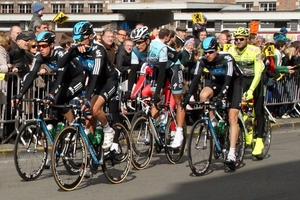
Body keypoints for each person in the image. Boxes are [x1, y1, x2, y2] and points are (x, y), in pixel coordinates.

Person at [182, 36, 242, 168]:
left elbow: (229, 79)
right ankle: (213, 123)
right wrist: (188, 96)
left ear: (216, 50)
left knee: (232, 117)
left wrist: (221, 97)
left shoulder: (227, 58)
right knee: (203, 95)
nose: (207, 55)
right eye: (205, 52)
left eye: (210, 52)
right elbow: (196, 78)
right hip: (218, 81)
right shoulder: (203, 60)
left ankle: (232, 153)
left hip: (233, 83)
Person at [60, 21, 118, 150]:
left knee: (94, 108)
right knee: (88, 119)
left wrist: (86, 98)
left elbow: (96, 74)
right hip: (94, 82)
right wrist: (72, 50)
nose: (78, 42)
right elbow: (60, 64)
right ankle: (92, 151)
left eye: (81, 39)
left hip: (109, 81)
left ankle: (108, 129)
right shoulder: (78, 48)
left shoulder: (99, 50)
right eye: (75, 39)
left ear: (91, 36)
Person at [126, 26, 185, 148]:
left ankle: (179, 132)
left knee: (178, 100)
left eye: (139, 42)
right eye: (135, 43)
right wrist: (128, 91)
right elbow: (133, 72)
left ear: (147, 40)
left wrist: (159, 92)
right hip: (158, 68)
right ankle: (158, 128)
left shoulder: (159, 48)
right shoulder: (136, 51)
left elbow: (163, 72)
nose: (137, 45)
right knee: (154, 101)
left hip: (173, 67)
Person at [12, 31, 85, 126]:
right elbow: (32, 75)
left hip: (77, 78)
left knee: (58, 99)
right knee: (55, 104)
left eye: (43, 46)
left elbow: (61, 77)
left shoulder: (60, 53)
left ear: (52, 45)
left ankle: (74, 126)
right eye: (38, 46)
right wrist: (20, 93)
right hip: (64, 80)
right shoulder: (39, 56)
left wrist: (52, 94)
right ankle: (65, 127)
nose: (40, 49)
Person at [228, 27, 265, 156]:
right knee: (237, 108)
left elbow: (259, 73)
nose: (238, 41)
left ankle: (259, 139)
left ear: (247, 40)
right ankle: (245, 130)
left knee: (258, 111)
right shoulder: (231, 50)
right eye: (236, 39)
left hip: (256, 80)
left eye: (241, 39)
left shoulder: (255, 50)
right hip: (242, 80)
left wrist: (251, 90)